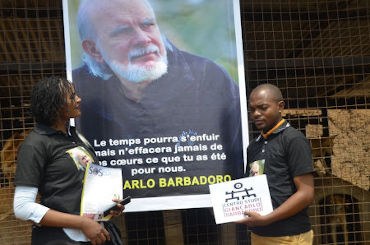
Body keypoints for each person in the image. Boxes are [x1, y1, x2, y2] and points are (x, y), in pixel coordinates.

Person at [72, 0, 243, 187]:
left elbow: (237, 157)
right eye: (123, 31)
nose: (143, 39)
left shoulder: (208, 78)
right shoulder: (77, 92)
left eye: (148, 25)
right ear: (94, 49)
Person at [13, 76, 124, 245]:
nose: (79, 99)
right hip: (61, 239)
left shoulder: (75, 136)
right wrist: (82, 223)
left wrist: (106, 206)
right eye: (72, 97)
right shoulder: (35, 144)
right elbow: (22, 207)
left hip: (97, 235)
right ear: (54, 106)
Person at [237, 84, 314, 244]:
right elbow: (252, 186)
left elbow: (306, 194)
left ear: (280, 107)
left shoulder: (293, 140)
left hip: (289, 236)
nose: (256, 114)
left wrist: (267, 219)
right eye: (252, 110)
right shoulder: (254, 146)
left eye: (263, 108)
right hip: (259, 235)